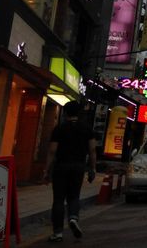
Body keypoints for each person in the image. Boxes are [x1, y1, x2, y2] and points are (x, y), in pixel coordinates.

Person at [43, 101, 97, 243]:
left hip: (61, 166)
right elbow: (92, 150)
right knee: (74, 196)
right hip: (78, 167)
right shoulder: (87, 129)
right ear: (80, 113)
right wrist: (92, 168)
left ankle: (57, 233)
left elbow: (52, 151)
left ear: (65, 113)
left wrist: (46, 170)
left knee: (58, 199)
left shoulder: (59, 128)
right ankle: (73, 217)